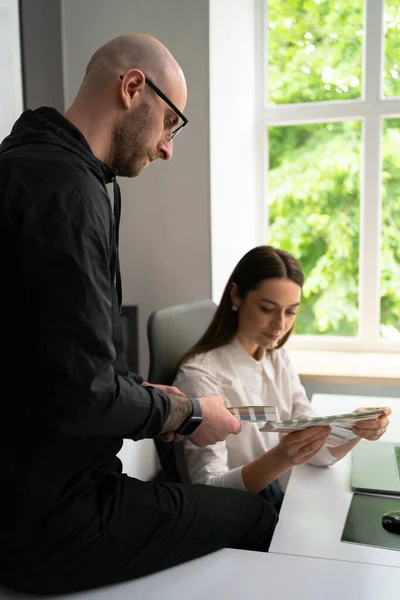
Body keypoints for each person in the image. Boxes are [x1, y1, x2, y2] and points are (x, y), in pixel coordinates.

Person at [0, 35, 278, 596]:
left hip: (33, 488)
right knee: (258, 514)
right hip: (53, 520)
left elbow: (54, 360)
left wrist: (148, 397)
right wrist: (186, 414)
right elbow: (84, 396)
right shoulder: (65, 191)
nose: (168, 147)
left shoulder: (40, 167)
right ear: (132, 88)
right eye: (171, 124)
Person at [173, 246, 391, 509]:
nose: (280, 325)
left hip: (279, 499)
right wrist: (281, 457)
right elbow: (205, 488)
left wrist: (357, 428)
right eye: (267, 309)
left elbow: (317, 453)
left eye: (291, 312)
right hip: (236, 516)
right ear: (236, 295)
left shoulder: (276, 357)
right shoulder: (200, 376)